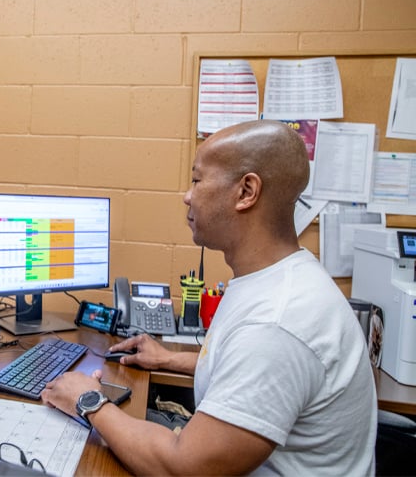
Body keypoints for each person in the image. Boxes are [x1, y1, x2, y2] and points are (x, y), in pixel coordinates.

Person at [41, 120, 377, 475]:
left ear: (246, 192)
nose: (187, 195)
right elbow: (243, 368)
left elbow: (183, 468)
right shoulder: (277, 278)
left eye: (198, 180)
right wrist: (169, 360)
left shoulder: (276, 322)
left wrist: (88, 401)